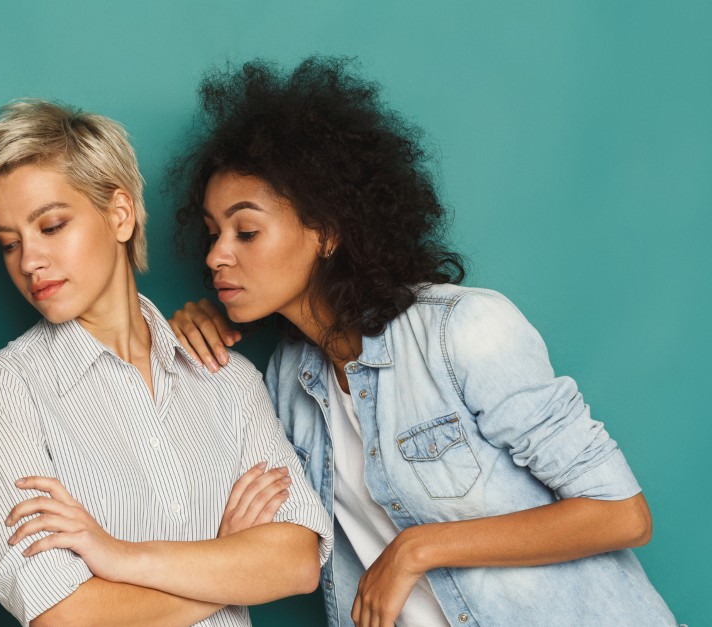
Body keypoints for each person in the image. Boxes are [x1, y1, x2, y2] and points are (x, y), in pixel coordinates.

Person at [168, 57, 677, 627]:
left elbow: (622, 515)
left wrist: (419, 549)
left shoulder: (463, 330)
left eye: (247, 231)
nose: (216, 256)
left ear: (328, 231)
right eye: (213, 234)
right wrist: (189, 328)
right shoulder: (287, 381)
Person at [0, 99, 333, 627]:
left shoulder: (228, 376)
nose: (29, 261)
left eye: (52, 225)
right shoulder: (6, 390)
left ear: (119, 213)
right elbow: (64, 616)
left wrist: (119, 557)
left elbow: (295, 563)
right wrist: (225, 560)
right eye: (8, 243)